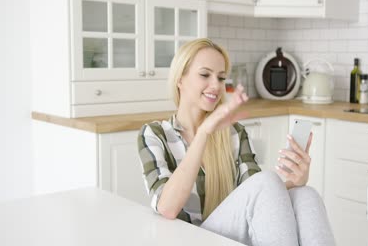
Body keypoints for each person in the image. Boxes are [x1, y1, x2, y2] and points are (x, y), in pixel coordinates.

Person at [137, 38, 335, 246]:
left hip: (228, 236)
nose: (216, 85)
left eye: (221, 78)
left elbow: (260, 195)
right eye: (205, 75)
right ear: (180, 79)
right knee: (269, 181)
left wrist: (295, 182)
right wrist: (203, 132)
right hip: (187, 239)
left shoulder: (233, 133)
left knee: (305, 195)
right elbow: (167, 208)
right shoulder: (154, 134)